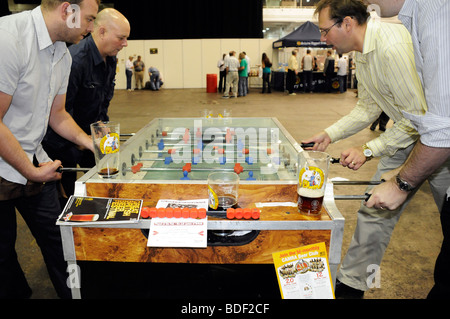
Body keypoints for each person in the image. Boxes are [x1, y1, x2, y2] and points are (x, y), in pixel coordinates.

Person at [302, 0, 450, 298]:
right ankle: (352, 285)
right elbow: (368, 107)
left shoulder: (390, 48)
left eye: (325, 31)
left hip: (435, 145)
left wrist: (368, 150)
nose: (322, 39)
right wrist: (329, 134)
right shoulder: (364, 54)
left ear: (347, 24)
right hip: (404, 137)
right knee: (374, 208)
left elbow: (423, 121)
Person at [0, 0, 100, 299]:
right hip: (9, 165)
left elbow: (57, 114)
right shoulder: (9, 38)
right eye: (90, 18)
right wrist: (30, 170)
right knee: (3, 254)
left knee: (62, 244)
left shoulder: (61, 53)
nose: (92, 27)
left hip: (32, 160)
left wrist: (91, 143)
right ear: (68, 10)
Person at [363, 0, 450, 299]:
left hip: (428, 146)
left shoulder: (434, 9)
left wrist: (401, 182)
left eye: (325, 30)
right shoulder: (415, 16)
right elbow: (367, 109)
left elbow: (437, 125)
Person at [42, 8, 130, 204]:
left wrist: (101, 124)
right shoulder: (75, 61)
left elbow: (103, 98)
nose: (125, 43)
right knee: (69, 200)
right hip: (62, 142)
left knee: (106, 185)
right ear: (102, 32)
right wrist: (81, 140)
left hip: (90, 138)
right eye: (121, 38)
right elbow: (60, 111)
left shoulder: (111, 57)